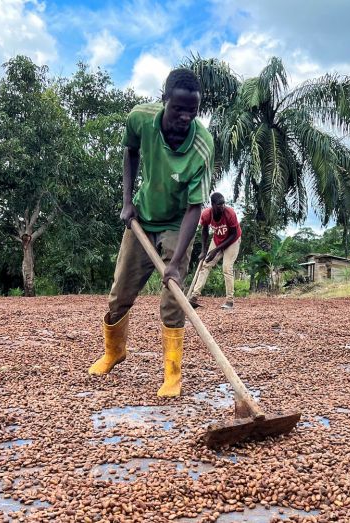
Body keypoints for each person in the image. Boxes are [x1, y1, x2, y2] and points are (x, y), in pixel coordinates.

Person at [88, 68, 213, 398]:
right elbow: (130, 152)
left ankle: (172, 374)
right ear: (164, 101)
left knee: (173, 299)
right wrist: (127, 202)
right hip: (143, 218)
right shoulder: (140, 118)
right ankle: (114, 352)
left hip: (176, 224)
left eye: (192, 111)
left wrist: (175, 263)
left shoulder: (201, 147)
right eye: (178, 109)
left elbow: (194, 209)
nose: (185, 117)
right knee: (119, 294)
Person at [188, 192, 242, 310]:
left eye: (223, 203)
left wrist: (216, 251)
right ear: (212, 204)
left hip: (232, 241)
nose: (222, 206)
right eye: (219, 204)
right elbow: (205, 231)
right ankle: (194, 297)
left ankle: (229, 301)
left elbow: (233, 235)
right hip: (217, 240)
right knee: (205, 265)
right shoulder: (206, 214)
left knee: (227, 268)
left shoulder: (230, 213)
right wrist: (203, 250)